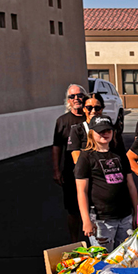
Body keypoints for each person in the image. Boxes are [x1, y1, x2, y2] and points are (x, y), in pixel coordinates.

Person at [75, 115, 138, 252]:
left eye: (108, 130)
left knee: (127, 255)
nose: (105, 134)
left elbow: (131, 185)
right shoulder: (86, 157)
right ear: (92, 133)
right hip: (101, 220)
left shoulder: (119, 155)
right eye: (100, 131)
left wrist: (137, 212)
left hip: (125, 216)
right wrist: (86, 220)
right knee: (104, 259)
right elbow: (82, 191)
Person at [53, 83, 86, 241]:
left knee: (94, 209)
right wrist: (56, 170)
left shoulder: (91, 118)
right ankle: (75, 241)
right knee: (73, 210)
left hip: (92, 172)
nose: (76, 99)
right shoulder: (62, 121)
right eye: (72, 96)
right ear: (68, 100)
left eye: (79, 95)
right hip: (70, 172)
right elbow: (57, 147)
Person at [68, 92, 125, 164]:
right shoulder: (77, 130)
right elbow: (77, 160)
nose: (93, 111)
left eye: (97, 108)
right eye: (89, 108)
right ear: (84, 109)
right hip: (91, 172)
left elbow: (123, 156)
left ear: (102, 109)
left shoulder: (111, 128)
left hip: (112, 170)